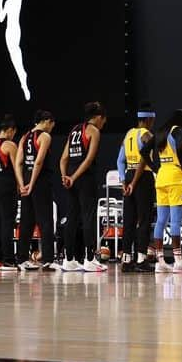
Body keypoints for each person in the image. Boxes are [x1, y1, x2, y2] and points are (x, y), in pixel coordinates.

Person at [60, 102, 109, 272]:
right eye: (103, 119)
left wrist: (65, 176)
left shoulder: (75, 130)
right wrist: (73, 177)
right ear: (98, 117)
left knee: (72, 218)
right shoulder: (93, 131)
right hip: (84, 178)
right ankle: (89, 259)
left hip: (71, 177)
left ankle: (68, 259)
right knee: (88, 217)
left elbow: (63, 158)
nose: (104, 123)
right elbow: (89, 159)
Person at [117, 102, 157, 272]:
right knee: (144, 219)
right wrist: (134, 183)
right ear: (148, 119)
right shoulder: (147, 135)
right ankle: (141, 259)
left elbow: (120, 160)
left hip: (128, 175)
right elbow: (144, 159)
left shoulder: (129, 134)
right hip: (142, 178)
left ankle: (127, 259)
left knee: (129, 220)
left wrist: (123, 181)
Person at [17, 110, 57, 271]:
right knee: (45, 220)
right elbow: (39, 162)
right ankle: (47, 260)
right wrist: (32, 184)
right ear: (47, 121)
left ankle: (21, 259)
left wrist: (22, 184)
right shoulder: (45, 136)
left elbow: (18, 162)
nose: (52, 128)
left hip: (25, 180)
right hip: (39, 181)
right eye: (52, 124)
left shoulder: (25, 137)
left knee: (26, 221)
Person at [153, 109, 182, 273]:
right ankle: (178, 261)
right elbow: (181, 151)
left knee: (161, 220)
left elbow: (144, 152)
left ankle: (160, 260)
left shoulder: (161, 132)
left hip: (161, 175)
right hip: (175, 176)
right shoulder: (178, 131)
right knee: (175, 221)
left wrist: (156, 168)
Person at [0, 115, 23, 271]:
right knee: (7, 222)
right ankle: (8, 259)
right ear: (9, 130)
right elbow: (16, 167)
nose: (14, 136)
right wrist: (20, 185)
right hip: (5, 185)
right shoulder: (9, 145)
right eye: (14, 132)